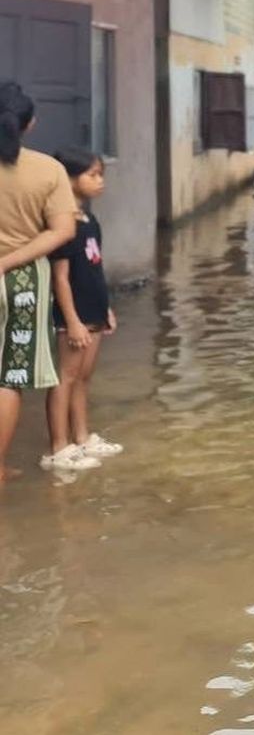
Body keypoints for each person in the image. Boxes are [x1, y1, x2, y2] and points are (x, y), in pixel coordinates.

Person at [0, 83, 78, 478]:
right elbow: (62, 231)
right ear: (28, 125)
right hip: (23, 282)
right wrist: (8, 261)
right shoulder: (48, 170)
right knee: (8, 377)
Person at [44, 147, 122, 473]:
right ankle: (58, 448)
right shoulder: (64, 225)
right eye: (92, 174)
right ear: (70, 179)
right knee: (65, 377)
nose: (100, 181)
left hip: (94, 310)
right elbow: (60, 279)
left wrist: (106, 310)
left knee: (83, 378)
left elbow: (95, 269)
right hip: (72, 316)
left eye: (101, 174)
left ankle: (82, 437)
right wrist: (72, 321)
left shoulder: (91, 220)